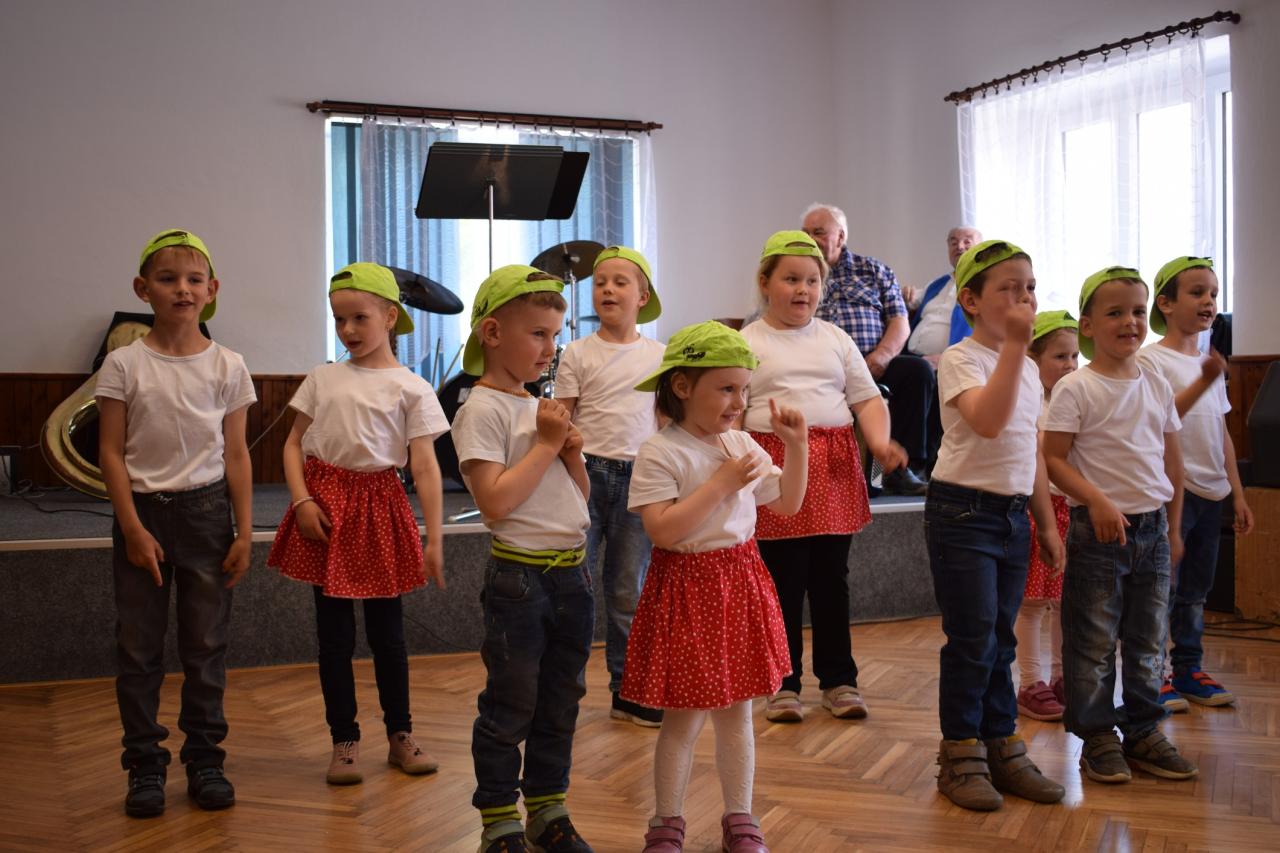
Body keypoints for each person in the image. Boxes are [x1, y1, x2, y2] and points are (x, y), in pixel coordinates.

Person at [622, 321, 807, 853]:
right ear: (682, 386)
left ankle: (740, 819)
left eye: (744, 389)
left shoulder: (741, 443)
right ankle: (666, 822)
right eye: (726, 388)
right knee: (682, 720)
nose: (739, 402)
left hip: (739, 584)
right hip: (687, 590)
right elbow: (662, 530)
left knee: (737, 715)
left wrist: (797, 447)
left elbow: (788, 503)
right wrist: (721, 484)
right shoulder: (661, 451)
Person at [97, 229, 256, 817]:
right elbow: (110, 452)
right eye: (168, 279)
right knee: (139, 648)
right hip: (143, 515)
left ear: (212, 290)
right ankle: (144, 764)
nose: (182, 289)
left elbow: (236, 454)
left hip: (207, 515)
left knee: (205, 645)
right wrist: (132, 527)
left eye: (194, 280)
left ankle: (206, 759)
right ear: (143, 289)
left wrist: (245, 532)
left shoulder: (228, 365)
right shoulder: (123, 363)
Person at [268, 262, 448, 785]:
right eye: (339, 319)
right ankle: (343, 740)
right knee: (334, 638)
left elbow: (425, 467)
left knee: (388, 636)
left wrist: (435, 537)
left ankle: (400, 735)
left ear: (390, 317)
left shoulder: (411, 387)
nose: (347, 329)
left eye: (359, 318)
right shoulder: (323, 378)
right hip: (327, 510)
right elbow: (292, 444)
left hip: (379, 510)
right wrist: (302, 500)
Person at [451, 265, 595, 853]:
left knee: (561, 701)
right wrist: (547, 444)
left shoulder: (538, 406)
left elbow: (579, 500)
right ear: (492, 332)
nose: (550, 348)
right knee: (511, 703)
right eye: (538, 334)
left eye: (555, 335)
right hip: (520, 579)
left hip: (572, 576)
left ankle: (548, 808)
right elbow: (494, 502)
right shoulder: (480, 409)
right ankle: (498, 819)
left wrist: (571, 455)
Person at [740, 231, 906, 724]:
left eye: (812, 281)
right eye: (791, 279)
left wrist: (879, 442)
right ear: (765, 282)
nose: (803, 290)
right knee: (782, 580)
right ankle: (783, 683)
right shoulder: (747, 342)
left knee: (831, 579)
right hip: (774, 467)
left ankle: (839, 680)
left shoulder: (835, 339)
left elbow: (867, 400)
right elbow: (732, 410)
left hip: (831, 467)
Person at [926, 240, 1066, 811]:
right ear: (971, 300)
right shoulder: (961, 359)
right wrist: (1013, 347)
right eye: (1009, 289)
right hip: (962, 513)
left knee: (1001, 638)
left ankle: (1001, 745)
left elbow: (1030, 452)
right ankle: (960, 754)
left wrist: (1046, 526)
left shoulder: (1027, 368)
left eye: (1029, 287)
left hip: (1011, 516)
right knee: (972, 638)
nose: (1024, 298)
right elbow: (987, 421)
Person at [1044, 265, 1196, 785]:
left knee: (1149, 639)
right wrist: (1097, 500)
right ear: (1087, 325)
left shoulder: (1155, 382)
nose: (1130, 321)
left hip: (1152, 532)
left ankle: (1143, 729)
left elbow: (1172, 462)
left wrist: (1173, 527)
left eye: (1137, 311)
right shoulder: (1076, 387)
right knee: (1092, 641)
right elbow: (1053, 459)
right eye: (1115, 313)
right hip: (1099, 533)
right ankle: (1096, 736)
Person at [555, 246, 666, 728]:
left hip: (640, 480)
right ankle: (563, 691)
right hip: (585, 475)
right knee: (574, 587)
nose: (607, 289)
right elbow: (562, 419)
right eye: (600, 282)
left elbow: (666, 423)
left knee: (627, 591)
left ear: (642, 296)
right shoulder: (577, 352)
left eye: (620, 282)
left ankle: (627, 689)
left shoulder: (659, 355)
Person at [1139, 256, 1255, 711]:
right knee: (1161, 589)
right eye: (1197, 292)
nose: (1209, 301)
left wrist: (1238, 493)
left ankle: (1189, 668)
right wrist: (1205, 379)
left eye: (1214, 294)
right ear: (1166, 303)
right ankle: (1153, 674)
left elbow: (1222, 432)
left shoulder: (1209, 364)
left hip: (1212, 493)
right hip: (1174, 494)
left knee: (1195, 593)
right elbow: (1160, 424)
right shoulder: (1151, 360)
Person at [803, 203, 933, 495]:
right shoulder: (801, 273)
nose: (810, 238)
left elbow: (899, 321)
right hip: (820, 367)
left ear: (841, 236)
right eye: (805, 232)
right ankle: (825, 475)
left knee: (917, 370)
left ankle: (902, 470)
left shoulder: (874, 270)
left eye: (819, 232)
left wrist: (882, 356)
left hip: (873, 363)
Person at [1013, 311, 1079, 721]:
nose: (1070, 365)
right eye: (1060, 357)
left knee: (1064, 601)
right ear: (1033, 360)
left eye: (1074, 357)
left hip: (1070, 508)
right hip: (1039, 508)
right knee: (1033, 602)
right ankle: (1029, 682)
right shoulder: (1031, 400)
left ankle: (1061, 676)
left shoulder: (1078, 398)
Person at [905, 226, 982, 361]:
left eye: (967, 242)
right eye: (954, 243)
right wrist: (904, 294)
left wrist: (947, 359)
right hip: (911, 357)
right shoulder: (936, 284)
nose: (959, 247)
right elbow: (909, 301)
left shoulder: (984, 286)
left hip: (952, 361)